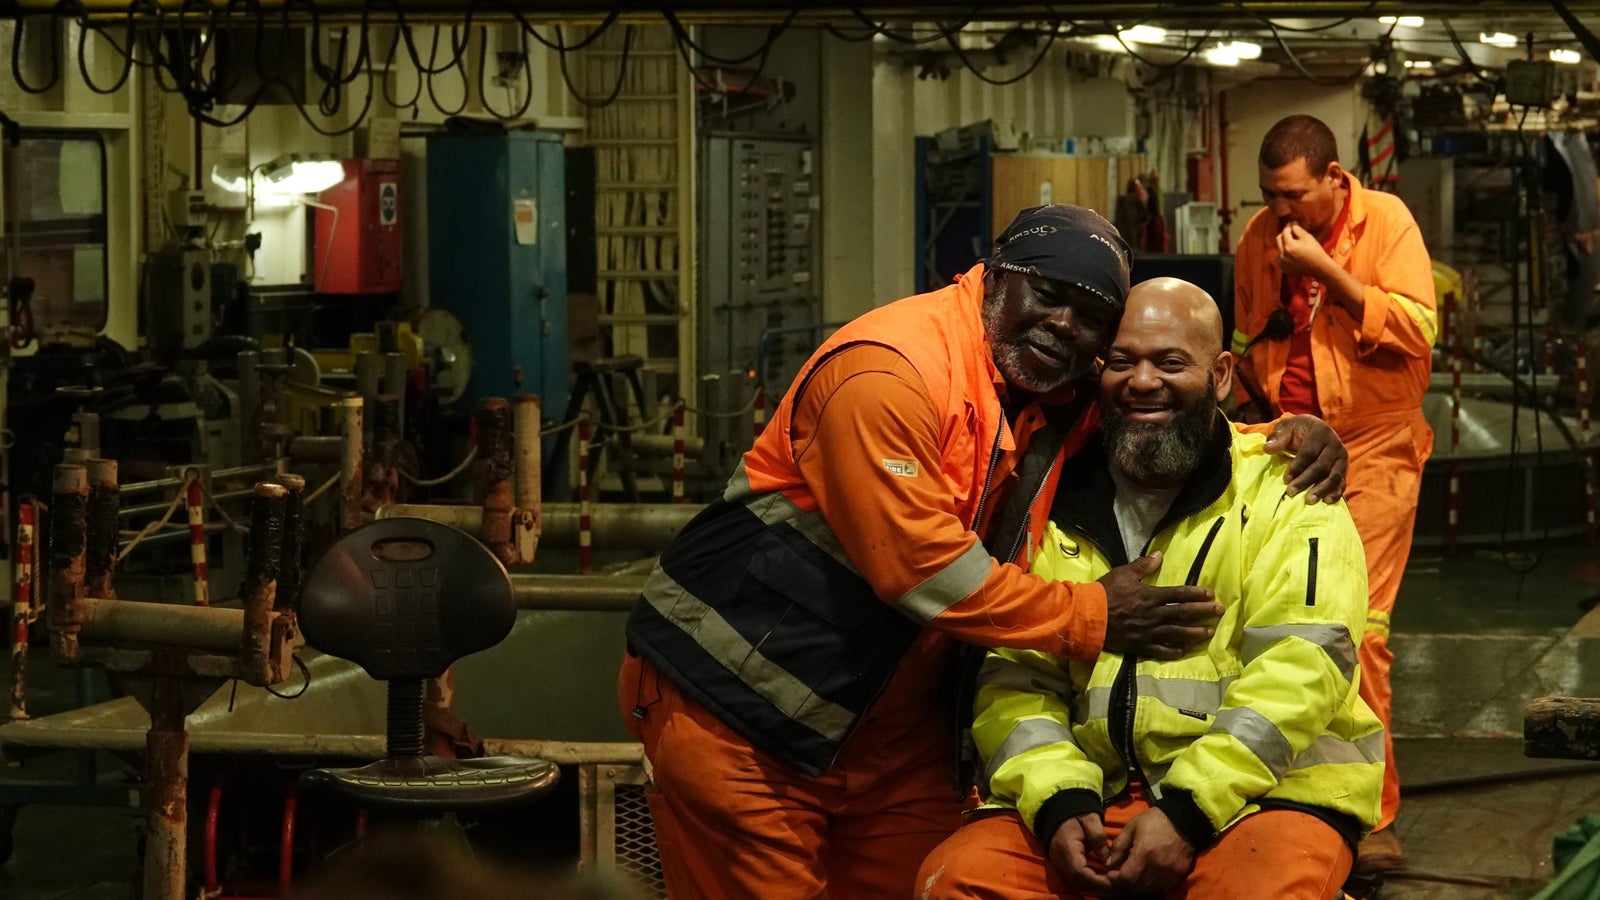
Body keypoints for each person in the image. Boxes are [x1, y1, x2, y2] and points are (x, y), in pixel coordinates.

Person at [619, 204, 1346, 899]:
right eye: (1049, 296)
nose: (1065, 325)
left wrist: (1290, 435)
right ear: (993, 277)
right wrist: (1091, 615)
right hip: (740, 716)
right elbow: (919, 568)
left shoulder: (1048, 380)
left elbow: (1161, 411)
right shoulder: (887, 373)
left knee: (925, 879)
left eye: (1091, 316)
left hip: (888, 737)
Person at [916, 277, 1383, 899]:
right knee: (956, 883)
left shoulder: (1288, 487)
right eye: (1121, 361)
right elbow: (1015, 677)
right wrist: (1059, 801)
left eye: (1169, 362)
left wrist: (1187, 813)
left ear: (1220, 375)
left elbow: (1302, 669)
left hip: (1265, 797)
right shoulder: (1049, 500)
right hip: (1095, 796)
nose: (1142, 382)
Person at [1231, 114, 1435, 874]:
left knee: (1361, 629)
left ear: (1333, 177)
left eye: (1293, 196)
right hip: (1281, 443)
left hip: (1375, 447)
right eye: (1268, 196)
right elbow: (1255, 335)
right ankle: (1280, 788)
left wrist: (1330, 274)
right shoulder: (1260, 235)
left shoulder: (1386, 222)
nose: (1281, 212)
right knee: (1272, 621)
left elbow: (1418, 330)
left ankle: (1371, 814)